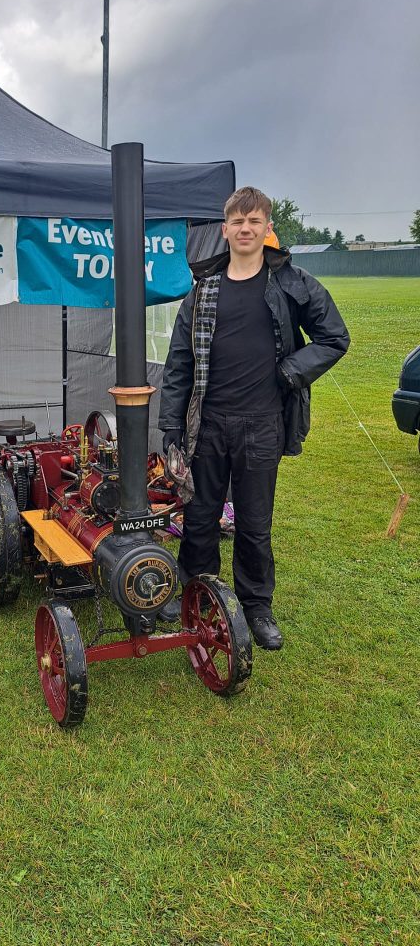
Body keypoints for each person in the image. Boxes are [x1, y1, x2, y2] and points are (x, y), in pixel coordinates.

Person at [158, 187, 350, 649]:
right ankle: (197, 589)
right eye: (237, 222)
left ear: (267, 229)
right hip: (208, 425)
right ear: (225, 231)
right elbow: (179, 364)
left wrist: (290, 371)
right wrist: (170, 428)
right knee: (200, 514)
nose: (246, 229)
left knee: (254, 520)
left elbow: (334, 337)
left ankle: (257, 606)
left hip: (263, 424)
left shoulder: (292, 282)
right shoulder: (203, 292)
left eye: (254, 221)